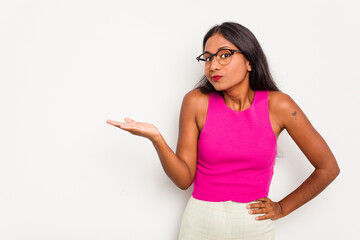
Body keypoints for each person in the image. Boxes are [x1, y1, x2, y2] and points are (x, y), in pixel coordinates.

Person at [106, 22, 340, 239]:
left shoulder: (279, 105)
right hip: (200, 221)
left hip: (254, 223)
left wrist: (281, 208)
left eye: (224, 55)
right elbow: (183, 179)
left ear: (249, 61)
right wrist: (156, 138)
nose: (213, 65)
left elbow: (328, 168)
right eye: (207, 58)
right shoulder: (196, 102)